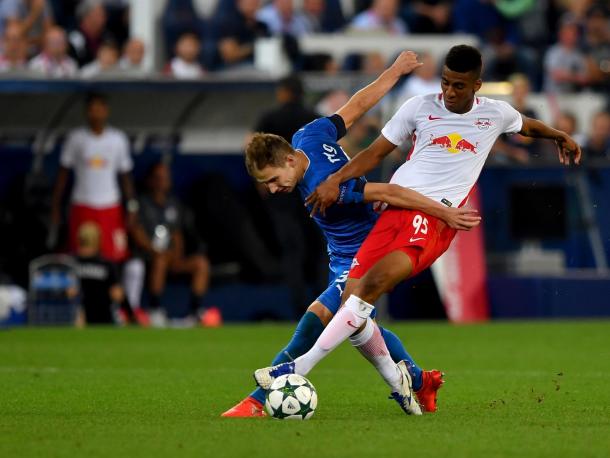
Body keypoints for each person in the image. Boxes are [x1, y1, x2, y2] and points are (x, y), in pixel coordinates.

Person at [254, 44, 582, 415]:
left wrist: (559, 135)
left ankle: (297, 368)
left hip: (430, 217)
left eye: (459, 86)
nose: (449, 92)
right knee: (353, 302)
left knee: (368, 290)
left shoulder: (496, 114)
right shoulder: (418, 107)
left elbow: (526, 125)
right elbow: (375, 152)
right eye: (445, 82)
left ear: (477, 85)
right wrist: (338, 179)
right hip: (394, 211)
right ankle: (411, 384)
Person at [222, 50, 481, 418]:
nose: (274, 190)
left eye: (274, 181)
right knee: (360, 327)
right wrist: (393, 71)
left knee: (314, 322)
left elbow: (389, 193)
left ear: (290, 160)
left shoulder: (327, 186)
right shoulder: (307, 135)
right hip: (340, 253)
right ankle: (420, 381)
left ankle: (256, 402)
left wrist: (445, 213)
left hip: (367, 251)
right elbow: (357, 105)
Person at [51, 92, 136, 264]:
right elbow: (63, 174)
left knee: (114, 254)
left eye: (100, 109)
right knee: (81, 253)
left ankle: (113, 289)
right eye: (92, 109)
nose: (96, 113)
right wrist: (56, 205)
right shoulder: (76, 138)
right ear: (86, 112)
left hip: (110, 205)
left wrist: (132, 206)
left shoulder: (118, 139)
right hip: (83, 204)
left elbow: (125, 176)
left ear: (106, 111)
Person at [129, 162, 216, 328]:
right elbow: (137, 233)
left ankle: (195, 311)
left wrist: (176, 255)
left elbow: (177, 235)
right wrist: (155, 251)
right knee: (160, 259)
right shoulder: (141, 203)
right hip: (148, 258)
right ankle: (155, 310)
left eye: (165, 178)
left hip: (170, 258)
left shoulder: (173, 204)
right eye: (158, 178)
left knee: (201, 263)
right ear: (150, 180)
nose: (162, 182)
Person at [74, 221, 125, 325]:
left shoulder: (71, 263)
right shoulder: (107, 264)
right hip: (100, 316)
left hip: (87, 317)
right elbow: (117, 294)